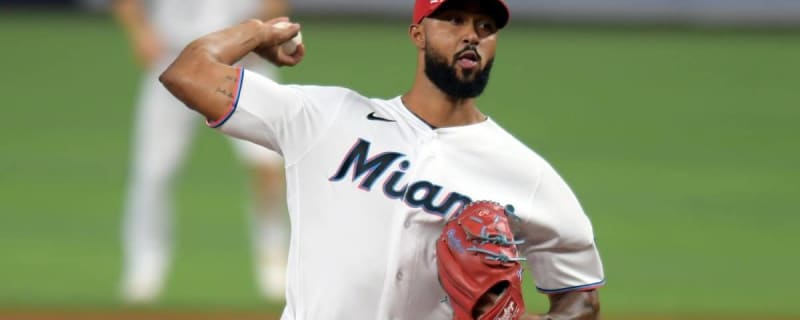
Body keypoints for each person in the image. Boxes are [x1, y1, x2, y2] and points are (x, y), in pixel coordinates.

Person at [159, 0, 605, 318]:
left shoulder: (527, 176)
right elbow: (188, 73)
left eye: (485, 25)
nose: (472, 33)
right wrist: (258, 33)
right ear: (417, 32)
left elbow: (581, 299)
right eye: (453, 18)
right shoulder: (325, 118)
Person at [113, 0, 290, 303]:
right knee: (153, 173)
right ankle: (144, 268)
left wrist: (264, 31)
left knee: (268, 167)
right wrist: (140, 32)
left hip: (240, 63)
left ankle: (274, 259)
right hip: (174, 60)